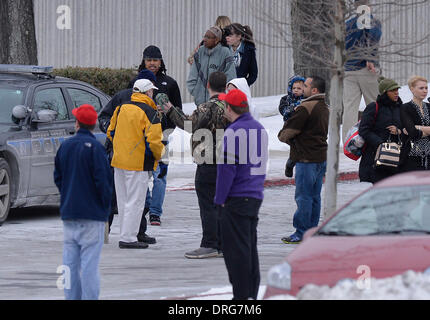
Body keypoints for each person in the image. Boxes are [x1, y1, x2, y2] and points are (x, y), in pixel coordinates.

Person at [162, 71, 229, 259]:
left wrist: (170, 110)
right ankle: (223, 243)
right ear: (225, 85)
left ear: (208, 85)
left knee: (208, 204)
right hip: (229, 162)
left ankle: (209, 243)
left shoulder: (207, 107)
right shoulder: (234, 107)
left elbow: (189, 125)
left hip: (208, 162)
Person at [54, 104, 113, 300]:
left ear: (77, 123)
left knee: (69, 264)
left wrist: (68, 195)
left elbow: (58, 177)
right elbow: (103, 183)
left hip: (70, 212)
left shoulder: (66, 146)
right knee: (89, 265)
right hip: (92, 215)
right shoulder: (96, 148)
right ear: (93, 124)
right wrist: (105, 209)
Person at [215, 89, 268, 300]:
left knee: (236, 253)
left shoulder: (234, 131)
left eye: (224, 105)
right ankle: (251, 294)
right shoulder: (260, 129)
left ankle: (241, 297)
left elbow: (227, 169)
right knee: (249, 249)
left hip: (236, 197)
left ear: (229, 108)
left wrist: (219, 200)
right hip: (254, 195)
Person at [98, 69, 158, 245]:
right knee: (136, 201)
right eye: (152, 91)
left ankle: (125, 235)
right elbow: (154, 141)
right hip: (137, 163)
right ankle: (129, 238)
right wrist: (156, 155)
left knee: (124, 201)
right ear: (147, 91)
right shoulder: (149, 111)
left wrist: (119, 147)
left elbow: (110, 131)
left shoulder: (121, 108)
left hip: (118, 161)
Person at [135, 45, 183, 228]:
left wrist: (168, 128)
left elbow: (178, 110)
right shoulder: (136, 82)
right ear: (144, 61)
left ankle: (155, 213)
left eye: (155, 60)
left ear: (160, 61)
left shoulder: (169, 83)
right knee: (141, 175)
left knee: (160, 176)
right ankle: (146, 205)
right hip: (139, 138)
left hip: (162, 137)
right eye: (149, 60)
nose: (152, 63)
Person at [278, 76, 329, 244]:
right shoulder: (325, 107)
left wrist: (286, 138)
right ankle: (312, 230)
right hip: (321, 157)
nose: (303, 88)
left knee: (303, 197)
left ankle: (301, 232)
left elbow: (288, 132)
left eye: (305, 86)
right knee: (315, 196)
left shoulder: (305, 107)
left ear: (314, 90)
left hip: (306, 158)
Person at [342, 0, 382, 143]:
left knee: (349, 107)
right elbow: (372, 38)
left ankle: (348, 140)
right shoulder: (371, 22)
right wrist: (369, 58)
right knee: (374, 104)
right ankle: (379, 134)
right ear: (368, 6)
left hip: (348, 69)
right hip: (366, 68)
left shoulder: (349, 24)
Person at [358, 77, 403, 184]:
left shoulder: (401, 108)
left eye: (397, 90)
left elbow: (407, 129)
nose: (396, 93)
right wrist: (380, 143)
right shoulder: (374, 107)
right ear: (384, 92)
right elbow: (364, 130)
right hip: (374, 157)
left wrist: (398, 131)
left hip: (395, 157)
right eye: (393, 90)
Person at [187, 26, 236, 106]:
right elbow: (193, 74)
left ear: (216, 40)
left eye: (208, 37)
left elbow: (231, 77)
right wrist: (195, 91)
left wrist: (223, 95)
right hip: (201, 104)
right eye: (204, 36)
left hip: (219, 104)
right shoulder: (200, 51)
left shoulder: (225, 52)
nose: (204, 39)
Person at [400, 76, 430, 171]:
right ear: (412, 89)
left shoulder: (429, 107)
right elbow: (413, 133)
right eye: (421, 88)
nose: (425, 91)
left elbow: (412, 130)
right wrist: (415, 130)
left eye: (426, 88)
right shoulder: (405, 108)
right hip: (411, 155)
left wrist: (418, 127)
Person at [278, 75, 305, 177]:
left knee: (303, 148)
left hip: (304, 128)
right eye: (294, 88)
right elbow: (283, 110)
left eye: (299, 88)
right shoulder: (286, 100)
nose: (296, 90)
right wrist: (293, 108)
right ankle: (290, 164)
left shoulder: (307, 100)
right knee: (295, 149)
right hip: (291, 128)